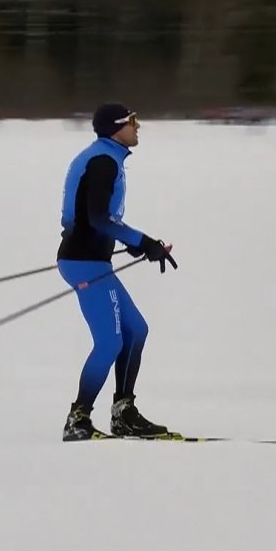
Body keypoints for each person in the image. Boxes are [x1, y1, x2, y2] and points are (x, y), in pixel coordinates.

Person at [57, 103, 178, 441]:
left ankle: (123, 413)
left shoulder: (106, 157)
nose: (137, 127)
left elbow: (101, 220)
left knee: (136, 331)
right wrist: (143, 240)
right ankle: (77, 419)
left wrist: (139, 244)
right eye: (132, 122)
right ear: (116, 128)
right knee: (110, 343)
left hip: (93, 259)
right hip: (83, 261)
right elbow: (97, 219)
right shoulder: (102, 162)